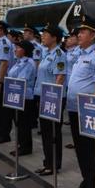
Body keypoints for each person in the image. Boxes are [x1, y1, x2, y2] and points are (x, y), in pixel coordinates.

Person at [66, 15, 95, 188]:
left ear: (92, 35)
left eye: (83, 31)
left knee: (93, 150)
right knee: (81, 149)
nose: (79, 34)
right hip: (74, 108)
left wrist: (94, 108)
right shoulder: (80, 54)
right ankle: (86, 181)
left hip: (89, 110)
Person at [33, 24, 66, 175]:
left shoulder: (59, 54)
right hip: (43, 95)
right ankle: (48, 162)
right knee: (46, 132)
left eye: (46, 34)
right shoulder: (47, 53)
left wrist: (53, 98)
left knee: (52, 132)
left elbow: (60, 77)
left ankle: (53, 164)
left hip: (52, 97)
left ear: (54, 38)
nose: (42, 36)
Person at [7, 40, 37, 156]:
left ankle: (25, 147)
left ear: (24, 50)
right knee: (18, 122)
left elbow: (21, 80)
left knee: (23, 123)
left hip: (25, 97)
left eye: (18, 48)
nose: (15, 50)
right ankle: (21, 145)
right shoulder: (18, 61)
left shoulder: (28, 63)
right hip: (16, 96)